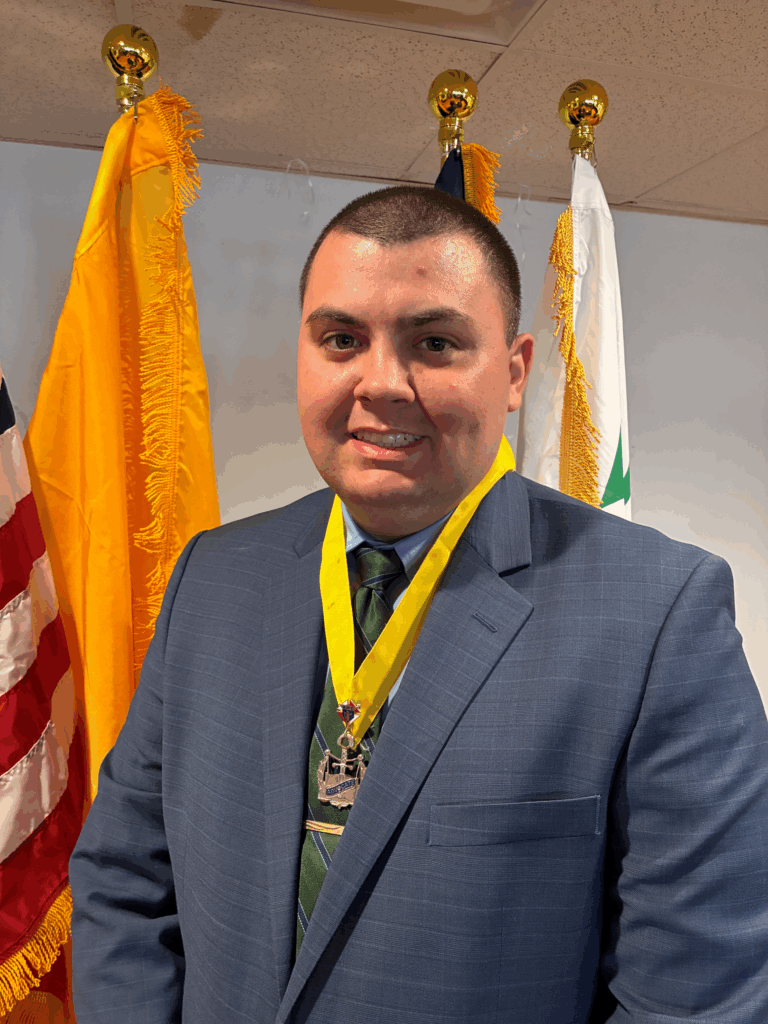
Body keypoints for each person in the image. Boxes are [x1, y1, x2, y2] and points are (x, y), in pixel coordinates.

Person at [69, 185, 768, 1023]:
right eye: (341, 339)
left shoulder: (658, 614)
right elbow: (125, 881)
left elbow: (695, 997)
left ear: (514, 372)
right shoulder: (212, 579)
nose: (382, 384)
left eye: (434, 343)